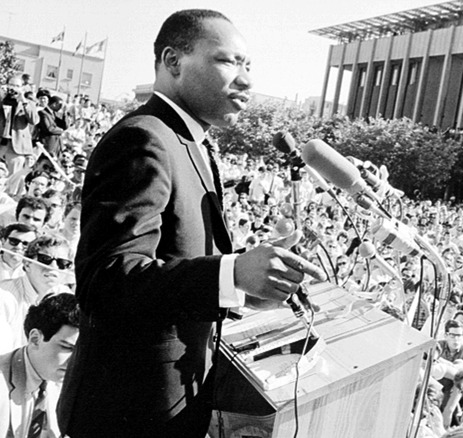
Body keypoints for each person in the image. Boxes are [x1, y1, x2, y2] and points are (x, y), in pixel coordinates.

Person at [57, 10, 325, 438]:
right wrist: (231, 271)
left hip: (171, 408)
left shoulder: (191, 142)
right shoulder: (144, 138)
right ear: (173, 60)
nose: (246, 80)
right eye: (228, 61)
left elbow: (176, 264)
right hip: (127, 413)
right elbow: (105, 280)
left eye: (249, 65)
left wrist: (241, 287)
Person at [0, 293, 79, 438]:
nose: (74, 361)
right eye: (67, 348)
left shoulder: (62, 381)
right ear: (35, 339)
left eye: (80, 352)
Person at [0, 75, 38, 175]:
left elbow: (34, 120)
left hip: (16, 146)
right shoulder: (1, 99)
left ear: (22, 88)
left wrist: (24, 102)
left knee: (12, 179)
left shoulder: (29, 103)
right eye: (11, 85)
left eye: (17, 86)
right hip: (1, 142)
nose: (13, 88)